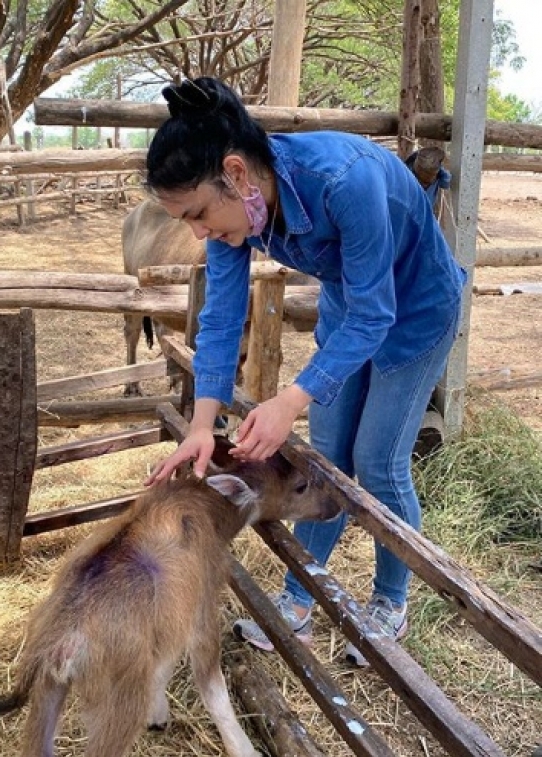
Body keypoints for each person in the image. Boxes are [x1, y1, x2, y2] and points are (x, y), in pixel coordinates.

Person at [144, 77, 465, 666]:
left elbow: (379, 313)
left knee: (377, 460)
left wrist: (290, 398)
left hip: (416, 312)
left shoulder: (346, 181)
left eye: (196, 214)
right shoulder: (238, 213)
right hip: (352, 308)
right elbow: (219, 320)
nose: (197, 232)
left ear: (236, 174)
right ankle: (301, 597)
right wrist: (200, 424)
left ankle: (389, 601)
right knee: (324, 458)